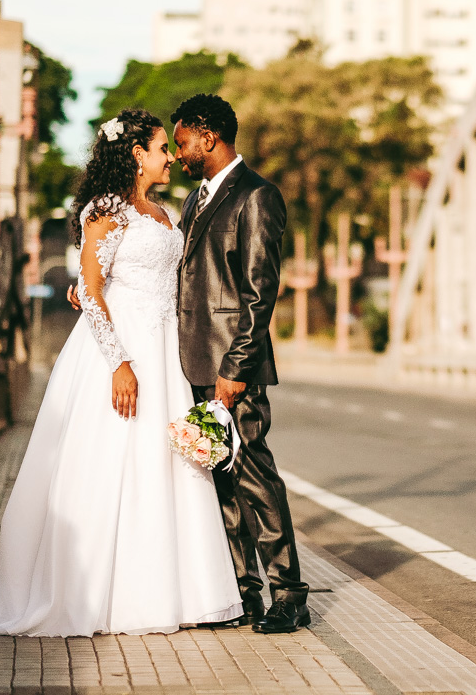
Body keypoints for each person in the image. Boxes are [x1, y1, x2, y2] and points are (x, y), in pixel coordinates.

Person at [0, 109, 242, 637]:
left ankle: (176, 593)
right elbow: (89, 287)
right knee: (113, 463)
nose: (171, 157)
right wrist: (119, 363)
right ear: (137, 155)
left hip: (165, 347)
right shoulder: (105, 210)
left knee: (164, 467)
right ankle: (105, 596)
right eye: (162, 148)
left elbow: (156, 281)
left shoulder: (165, 212)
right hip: (123, 348)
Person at [170, 93, 310, 633]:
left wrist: (235, 370)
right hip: (195, 364)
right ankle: (242, 592)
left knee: (253, 474)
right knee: (219, 482)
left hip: (234, 367)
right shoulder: (194, 200)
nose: (180, 153)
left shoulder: (257, 197)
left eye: (182, 142)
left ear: (208, 136)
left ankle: (289, 593)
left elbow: (259, 296)